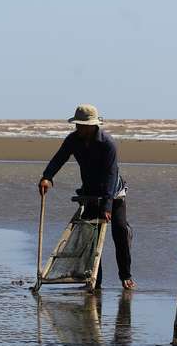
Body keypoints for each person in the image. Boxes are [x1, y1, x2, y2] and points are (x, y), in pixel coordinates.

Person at [38, 104, 135, 289]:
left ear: (92, 125)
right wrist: (47, 177)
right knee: (90, 236)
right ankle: (94, 279)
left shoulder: (107, 143)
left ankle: (126, 276)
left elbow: (111, 174)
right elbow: (59, 158)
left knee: (120, 231)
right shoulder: (73, 140)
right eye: (77, 124)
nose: (78, 128)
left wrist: (107, 205)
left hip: (114, 193)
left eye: (82, 125)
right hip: (90, 192)